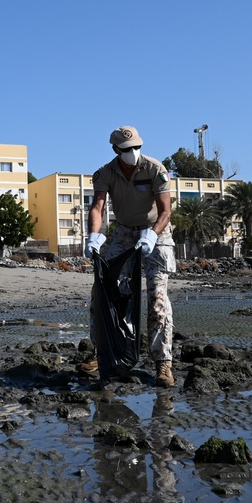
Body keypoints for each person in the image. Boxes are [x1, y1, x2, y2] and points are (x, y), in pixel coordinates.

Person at [83, 125, 175, 387]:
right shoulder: (105, 173)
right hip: (123, 232)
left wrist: (153, 234)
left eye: (136, 147)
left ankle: (163, 363)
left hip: (158, 233)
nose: (133, 152)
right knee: (102, 292)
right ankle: (102, 354)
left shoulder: (156, 169)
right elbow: (98, 206)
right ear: (115, 149)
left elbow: (166, 211)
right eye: (126, 149)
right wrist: (93, 236)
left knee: (157, 297)